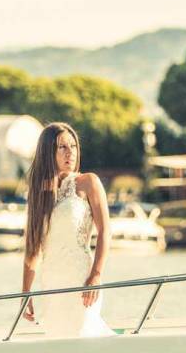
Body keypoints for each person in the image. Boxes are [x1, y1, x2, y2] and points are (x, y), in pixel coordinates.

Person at [21, 122, 115, 338]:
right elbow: (33, 248)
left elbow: (105, 232)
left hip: (82, 280)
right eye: (62, 147)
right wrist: (26, 293)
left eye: (73, 146)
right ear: (48, 152)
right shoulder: (38, 192)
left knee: (83, 334)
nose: (70, 152)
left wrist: (96, 276)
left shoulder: (88, 182)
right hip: (52, 283)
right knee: (58, 340)